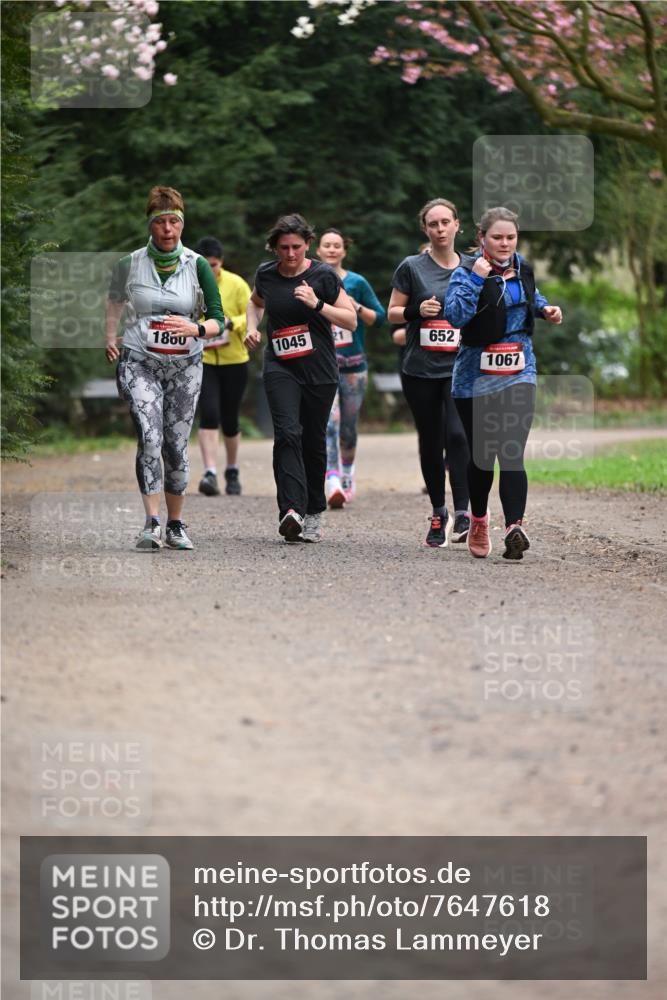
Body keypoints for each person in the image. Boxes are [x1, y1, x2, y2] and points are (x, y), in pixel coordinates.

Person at [105, 186, 225, 551]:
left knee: (175, 444)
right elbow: (113, 301)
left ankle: (176, 523)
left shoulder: (197, 264)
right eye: (161, 222)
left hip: (185, 365)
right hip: (140, 360)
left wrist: (197, 328)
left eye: (174, 222)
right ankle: (151, 522)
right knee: (150, 435)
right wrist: (110, 335)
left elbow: (219, 319)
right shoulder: (129, 263)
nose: (168, 229)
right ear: (150, 224)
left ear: (182, 224)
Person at [445, 206, 563, 560]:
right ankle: (478, 519)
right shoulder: (465, 271)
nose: (505, 243)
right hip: (473, 377)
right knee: (483, 457)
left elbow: (531, 295)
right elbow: (456, 316)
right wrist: (478, 278)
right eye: (497, 237)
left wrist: (546, 309)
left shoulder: (522, 266)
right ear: (481, 238)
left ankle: (515, 527)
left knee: (511, 449)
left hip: (519, 369)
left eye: (510, 237)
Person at [244, 214, 357, 543]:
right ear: (275, 248)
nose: (290, 254)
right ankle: (291, 510)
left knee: (312, 440)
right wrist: (252, 327)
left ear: (308, 244)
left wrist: (317, 303)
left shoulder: (322, 275)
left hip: (319, 370)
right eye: (283, 248)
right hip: (281, 366)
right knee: (287, 432)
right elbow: (255, 303)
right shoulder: (266, 274)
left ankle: (313, 513)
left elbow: (350, 320)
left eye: (296, 247)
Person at [388, 198, 472, 548]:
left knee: (458, 436)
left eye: (445, 223)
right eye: (432, 224)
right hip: (420, 369)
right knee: (431, 440)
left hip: (461, 368)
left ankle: (465, 512)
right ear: (425, 229)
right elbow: (392, 312)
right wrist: (416, 310)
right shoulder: (412, 266)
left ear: (457, 225)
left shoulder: (474, 267)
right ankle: (439, 512)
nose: (439, 229)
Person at [316, 228, 386, 507]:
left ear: (344, 251)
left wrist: (356, 308)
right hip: (324, 365)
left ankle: (347, 472)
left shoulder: (357, 282)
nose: (332, 250)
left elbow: (379, 318)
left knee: (348, 428)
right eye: (327, 245)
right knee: (329, 424)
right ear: (318, 250)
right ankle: (331, 478)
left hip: (354, 366)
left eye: (337, 246)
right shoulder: (312, 279)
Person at [194, 236, 252, 498]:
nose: (210, 270)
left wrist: (231, 324)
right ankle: (210, 472)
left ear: (222, 262)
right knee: (209, 413)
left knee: (230, 418)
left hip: (234, 360)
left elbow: (251, 314)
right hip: (203, 360)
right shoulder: (190, 284)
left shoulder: (236, 283)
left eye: (214, 265)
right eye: (205, 265)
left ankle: (232, 469)